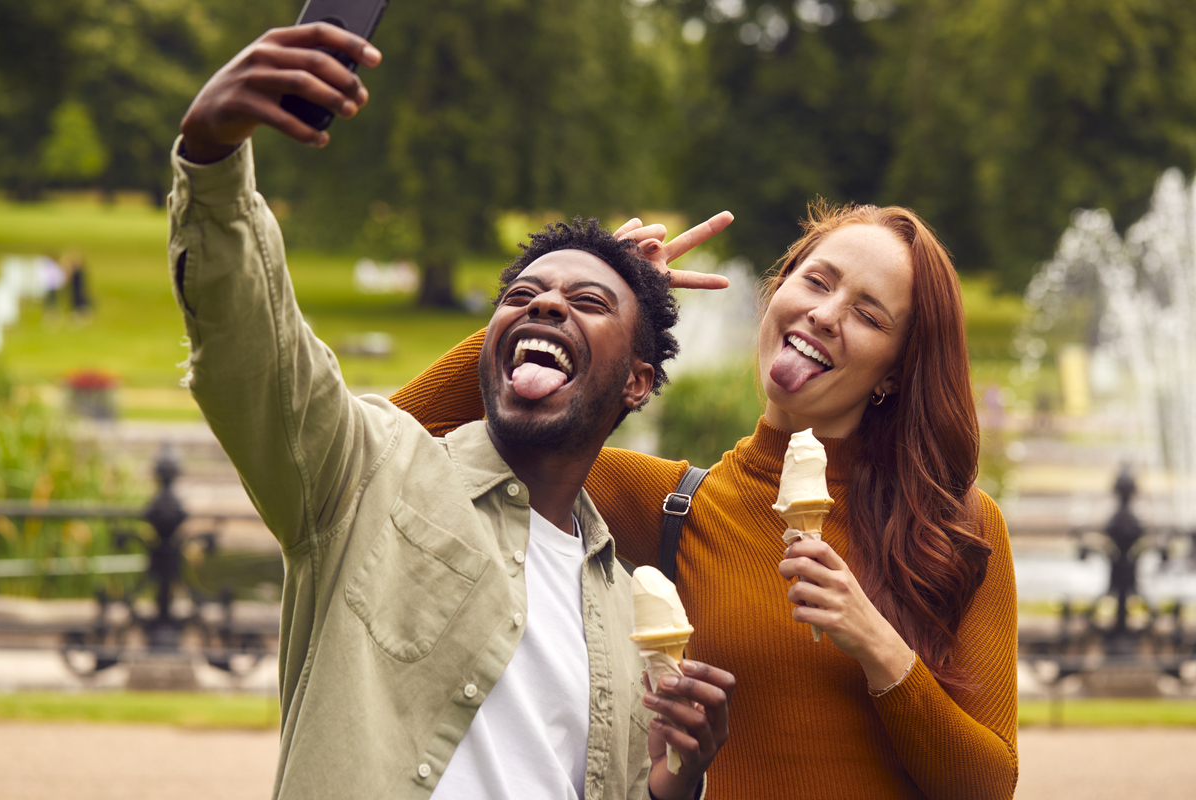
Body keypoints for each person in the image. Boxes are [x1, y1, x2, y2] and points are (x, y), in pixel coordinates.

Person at [169, 23, 735, 800]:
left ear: (638, 383)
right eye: (522, 298)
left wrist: (678, 781)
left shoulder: (622, 607)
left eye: (587, 301)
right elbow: (253, 352)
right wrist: (211, 158)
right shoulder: (368, 473)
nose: (544, 308)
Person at [394, 203, 1019, 799]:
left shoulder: (957, 526)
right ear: (774, 295)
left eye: (869, 315)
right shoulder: (671, 506)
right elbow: (399, 450)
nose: (826, 315)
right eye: (817, 282)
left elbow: (988, 787)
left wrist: (877, 645)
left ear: (895, 372)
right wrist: (562, 305)